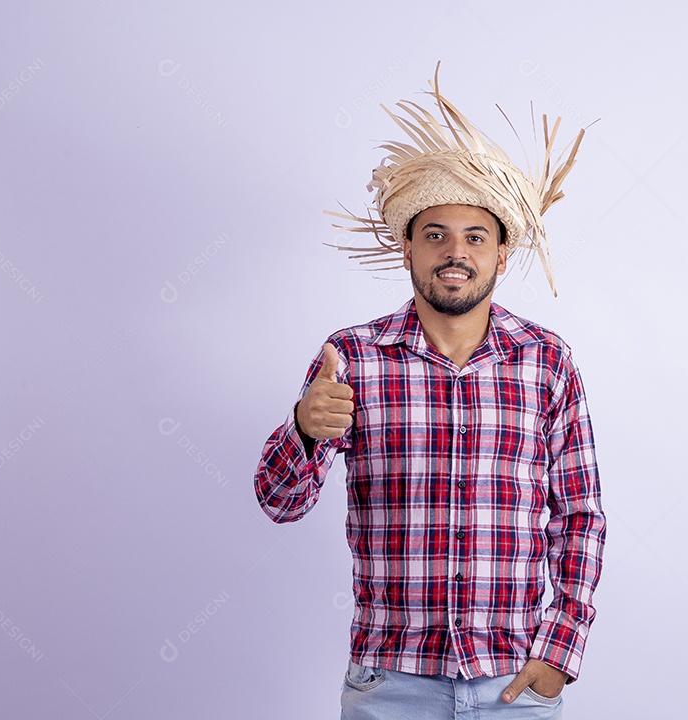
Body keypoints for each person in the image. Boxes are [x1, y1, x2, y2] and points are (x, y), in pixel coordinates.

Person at [255, 66, 605, 719]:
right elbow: (279, 502)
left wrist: (561, 651)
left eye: (476, 236)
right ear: (407, 249)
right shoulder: (352, 357)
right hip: (391, 685)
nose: (455, 252)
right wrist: (303, 429)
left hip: (513, 686)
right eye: (435, 234)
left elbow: (579, 517)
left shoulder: (547, 361)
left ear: (502, 253)